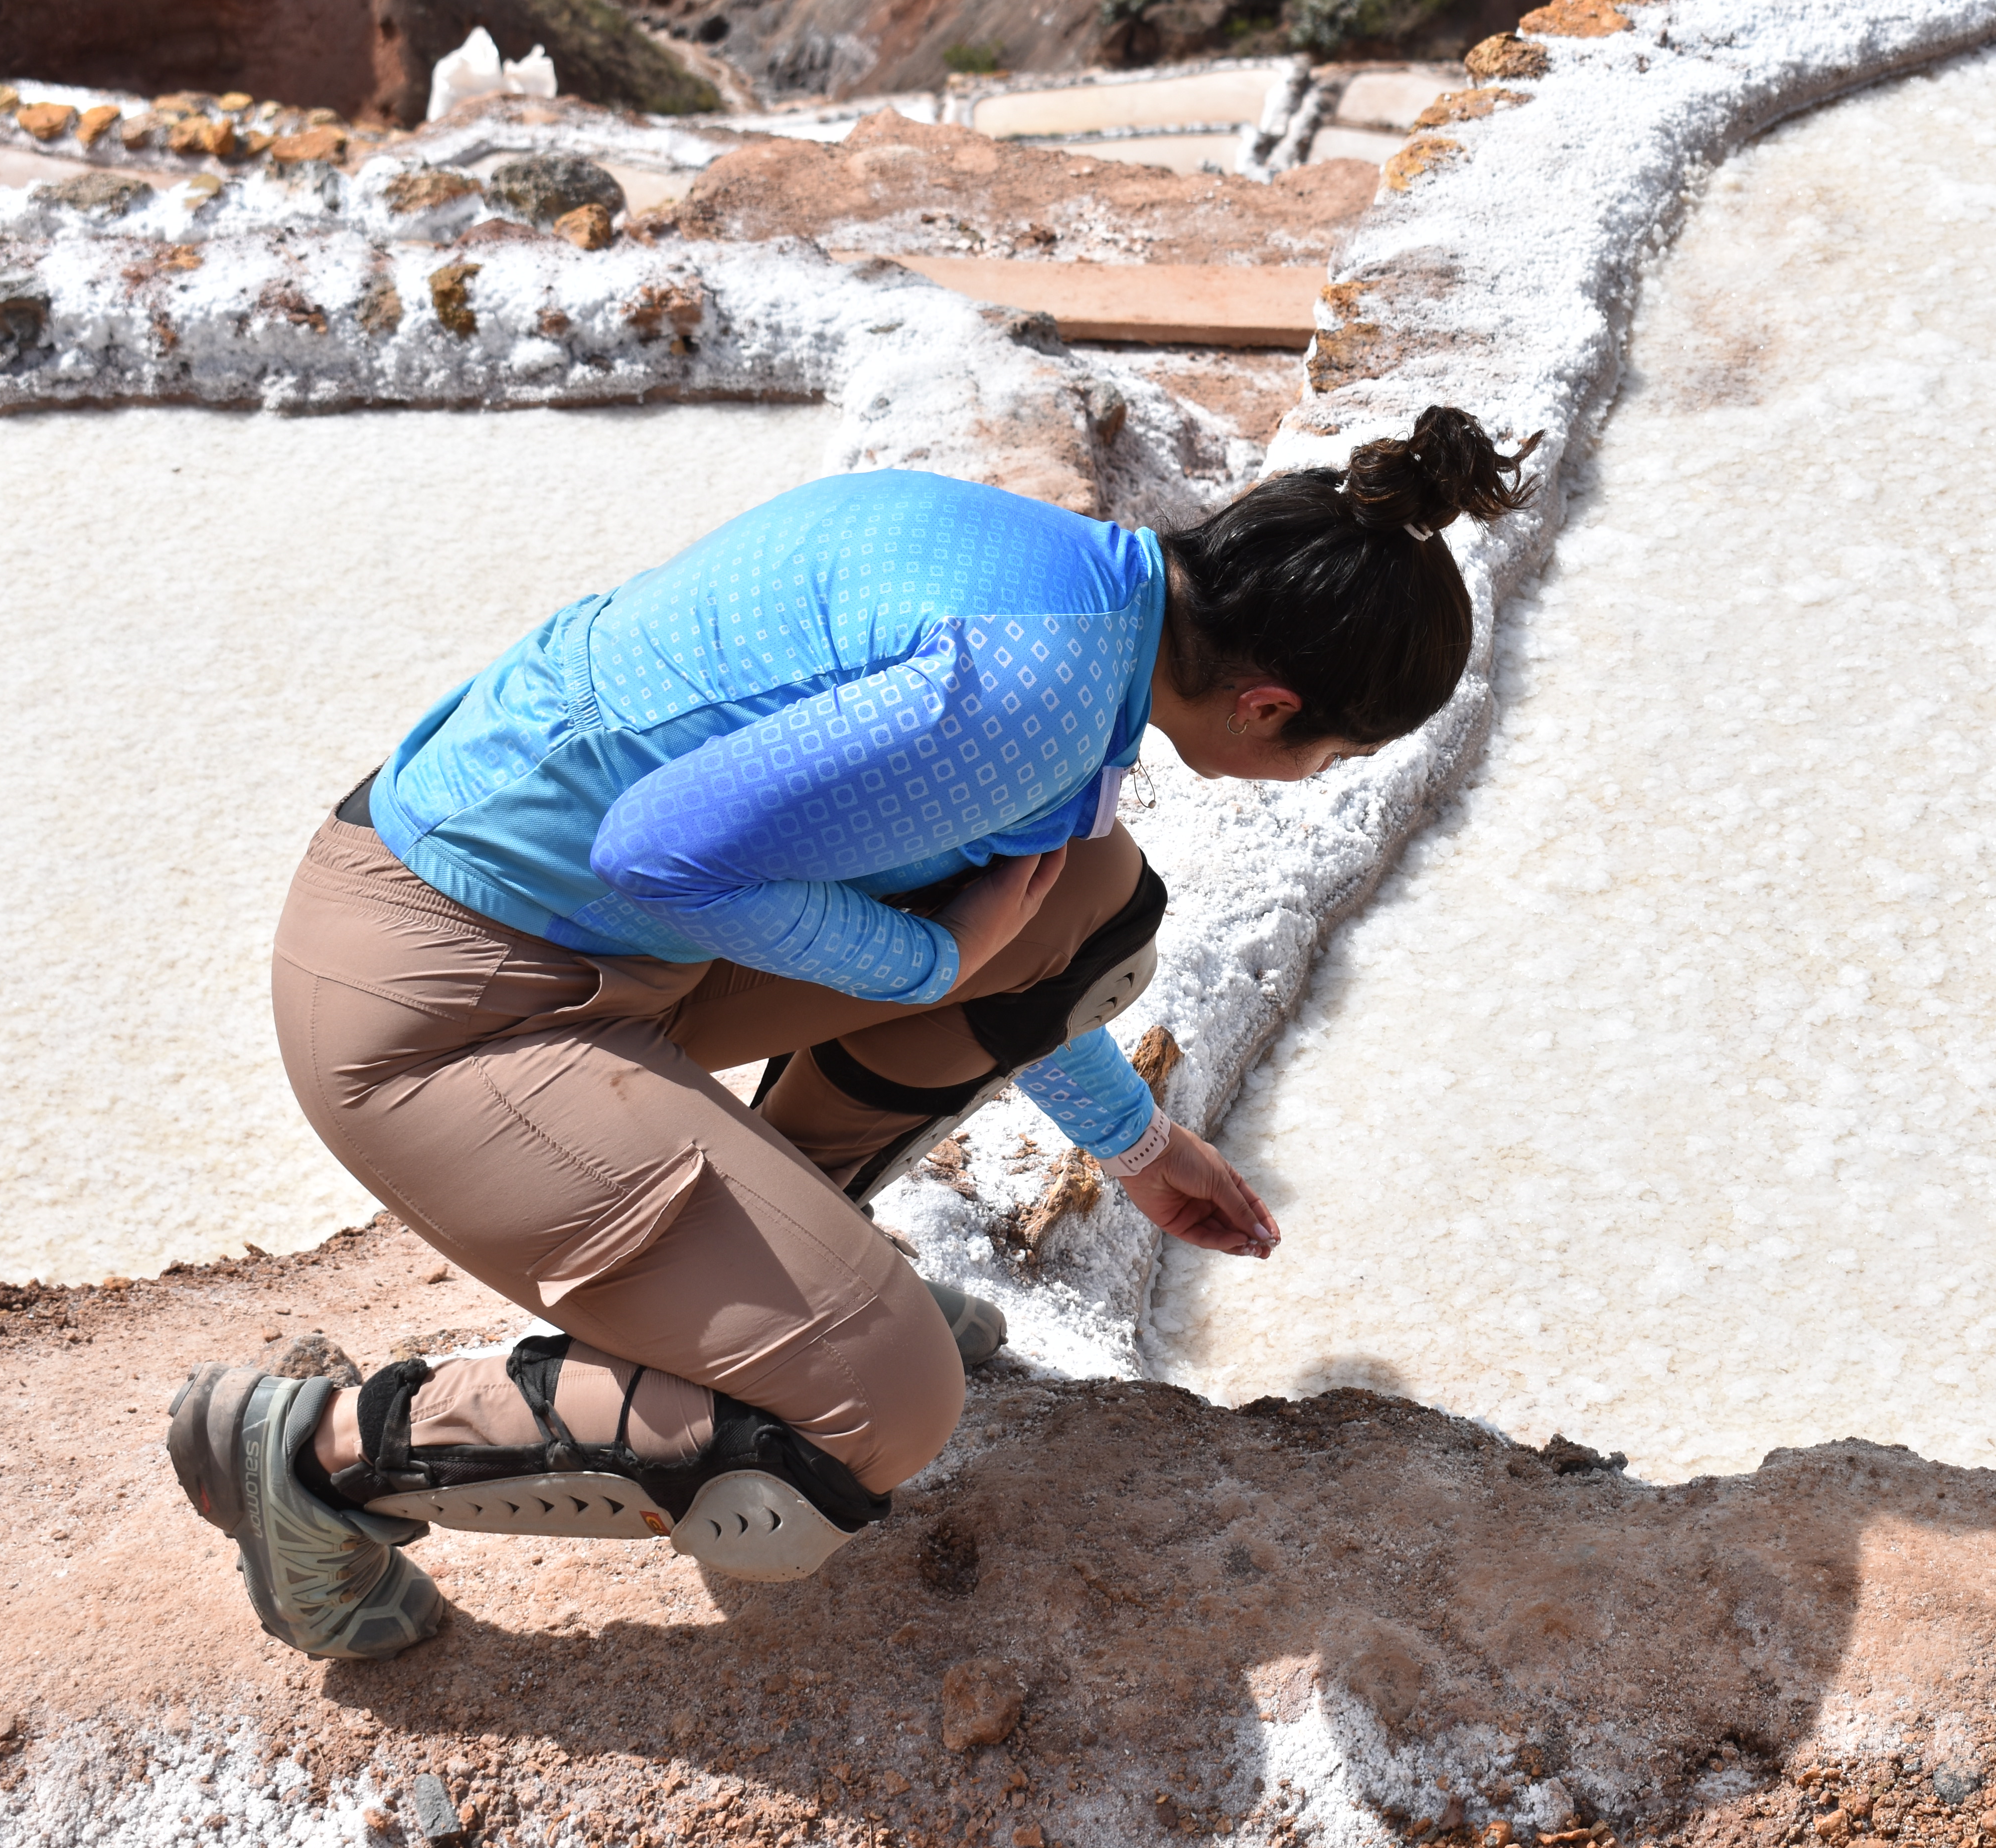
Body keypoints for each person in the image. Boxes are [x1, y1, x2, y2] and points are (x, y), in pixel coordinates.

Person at [166, 406, 1540, 1658]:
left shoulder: (1078, 592)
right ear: (1270, 707)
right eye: (1332, 760)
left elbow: (1018, 944)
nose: (1310, 785)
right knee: (868, 1419)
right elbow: (663, 855)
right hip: (437, 1010)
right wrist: (932, 955)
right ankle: (309, 1460)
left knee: (1089, 907)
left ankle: (780, 1262)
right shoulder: (1027, 696)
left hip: (570, 941)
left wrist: (1137, 1146)